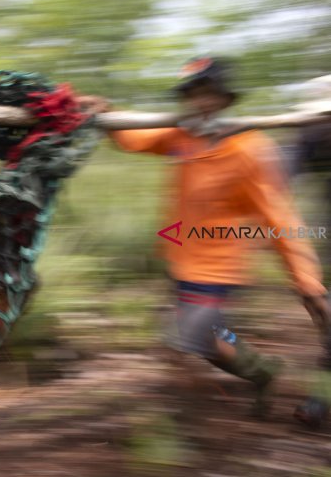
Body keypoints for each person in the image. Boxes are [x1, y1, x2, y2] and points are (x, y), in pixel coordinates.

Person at [79, 56, 331, 427]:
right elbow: (135, 139)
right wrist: (107, 113)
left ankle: (177, 427)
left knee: (184, 338)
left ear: (226, 98)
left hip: (219, 264)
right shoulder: (180, 136)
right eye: (194, 93)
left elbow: (279, 217)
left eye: (209, 93)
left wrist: (306, 279)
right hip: (181, 258)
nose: (202, 101)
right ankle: (263, 373)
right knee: (213, 341)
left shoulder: (249, 149)